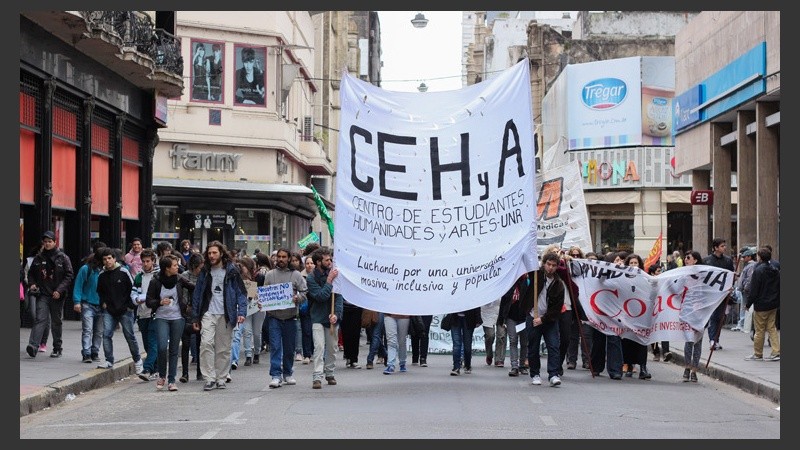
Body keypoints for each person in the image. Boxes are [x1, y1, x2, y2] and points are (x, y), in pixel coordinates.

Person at [191, 241, 248, 391]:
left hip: (226, 314)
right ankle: (209, 378)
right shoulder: (205, 271)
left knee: (223, 348)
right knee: (206, 344)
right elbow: (197, 294)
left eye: (214, 253)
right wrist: (195, 317)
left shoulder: (232, 270)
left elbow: (241, 293)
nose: (211, 256)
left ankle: (221, 378)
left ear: (221, 253)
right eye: (209, 253)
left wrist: (242, 312)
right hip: (208, 313)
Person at [95, 247, 144, 376]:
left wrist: (130, 306)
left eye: (109, 258)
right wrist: (103, 303)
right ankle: (109, 360)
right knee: (106, 334)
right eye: (104, 259)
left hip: (125, 310)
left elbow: (133, 288)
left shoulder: (123, 271)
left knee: (129, 336)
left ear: (114, 259)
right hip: (109, 310)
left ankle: (138, 361)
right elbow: (100, 291)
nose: (107, 261)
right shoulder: (102, 275)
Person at [26, 231, 74, 359]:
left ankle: (57, 348)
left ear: (55, 242)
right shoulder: (38, 258)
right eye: (45, 242)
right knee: (40, 319)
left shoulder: (63, 258)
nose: (47, 244)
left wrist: (59, 290)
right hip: (43, 294)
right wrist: (32, 284)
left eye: (50, 241)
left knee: (56, 322)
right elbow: (31, 274)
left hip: (57, 295)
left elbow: (69, 275)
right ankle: (33, 346)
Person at [264, 248, 308, 388]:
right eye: (279, 257)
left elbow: (304, 292)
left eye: (284, 257)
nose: (281, 259)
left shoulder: (296, 275)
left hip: (290, 317)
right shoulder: (270, 275)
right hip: (274, 317)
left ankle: (288, 373)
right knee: (275, 347)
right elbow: (264, 294)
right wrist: (262, 302)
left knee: (289, 348)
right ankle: (275, 375)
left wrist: (297, 298)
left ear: (289, 258)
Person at [146, 254, 190, 391]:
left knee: (174, 349)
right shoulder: (155, 281)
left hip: (177, 317)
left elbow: (193, 287)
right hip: (161, 317)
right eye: (175, 265)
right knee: (162, 346)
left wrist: (189, 305)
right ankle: (161, 375)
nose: (178, 267)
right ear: (167, 268)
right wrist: (159, 302)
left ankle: (171, 380)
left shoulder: (179, 279)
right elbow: (148, 301)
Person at [523, 252, 565, 387]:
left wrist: (543, 319)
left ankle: (553, 374)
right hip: (533, 316)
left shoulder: (558, 284)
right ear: (544, 263)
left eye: (553, 265)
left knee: (553, 346)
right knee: (533, 347)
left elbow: (556, 309)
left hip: (549, 320)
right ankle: (535, 374)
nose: (550, 268)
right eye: (548, 264)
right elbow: (526, 263)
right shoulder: (536, 275)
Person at [305, 246, 343, 389]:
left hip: (331, 318)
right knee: (319, 347)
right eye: (327, 260)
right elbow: (320, 296)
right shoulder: (311, 278)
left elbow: (338, 297)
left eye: (330, 260)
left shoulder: (335, 275)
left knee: (332, 347)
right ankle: (317, 376)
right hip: (317, 317)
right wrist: (329, 281)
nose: (330, 262)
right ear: (318, 262)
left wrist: (337, 314)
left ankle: (330, 372)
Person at [744, 247, 780, 361]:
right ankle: (776, 352)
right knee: (772, 328)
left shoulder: (758, 270)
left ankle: (758, 353)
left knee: (759, 329)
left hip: (761, 304)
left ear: (759, 257)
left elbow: (754, 290)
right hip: (773, 304)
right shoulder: (775, 269)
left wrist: (748, 304)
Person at [72, 244, 105, 363]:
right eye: (104, 258)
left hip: (101, 305)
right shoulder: (86, 269)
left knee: (99, 331)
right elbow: (78, 285)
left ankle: (95, 352)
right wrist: (77, 302)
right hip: (87, 304)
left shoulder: (105, 270)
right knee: (87, 330)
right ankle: (86, 353)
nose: (107, 261)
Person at [131, 248, 160, 381]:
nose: (145, 264)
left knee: (153, 342)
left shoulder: (158, 276)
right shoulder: (139, 276)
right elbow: (133, 292)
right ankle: (156, 369)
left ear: (153, 261)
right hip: (142, 313)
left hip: (155, 313)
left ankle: (147, 368)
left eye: (148, 261)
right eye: (143, 261)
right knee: (147, 344)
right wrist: (136, 299)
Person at [621, 253, 651, 380]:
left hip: (642, 315)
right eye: (631, 263)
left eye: (636, 263)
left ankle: (643, 367)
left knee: (642, 341)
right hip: (627, 314)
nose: (633, 265)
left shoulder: (645, 278)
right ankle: (628, 365)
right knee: (628, 341)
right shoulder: (622, 278)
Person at [703, 238, 735, 350]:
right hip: (711, 293)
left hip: (724, 293)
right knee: (713, 316)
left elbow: (731, 275)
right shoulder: (706, 261)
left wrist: (731, 286)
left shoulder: (728, 260)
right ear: (715, 248)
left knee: (720, 317)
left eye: (724, 246)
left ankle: (716, 339)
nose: (724, 248)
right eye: (722, 246)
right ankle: (712, 339)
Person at [499, 272, 530, 377]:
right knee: (513, 341)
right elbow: (504, 301)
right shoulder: (509, 284)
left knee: (524, 342)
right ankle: (514, 366)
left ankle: (522, 365)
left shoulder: (527, 282)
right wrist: (501, 319)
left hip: (524, 317)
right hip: (511, 316)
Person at [179, 252, 204, 383]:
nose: (201, 269)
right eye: (200, 267)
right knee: (186, 343)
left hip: (200, 313)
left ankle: (200, 371)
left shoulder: (204, 277)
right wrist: (186, 306)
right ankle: (185, 373)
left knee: (201, 344)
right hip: (187, 313)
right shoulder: (184, 276)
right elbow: (182, 294)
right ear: (194, 266)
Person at [238, 255, 265, 368]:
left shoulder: (259, 277)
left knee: (257, 332)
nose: (241, 268)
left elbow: (264, 291)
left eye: (242, 266)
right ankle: (248, 354)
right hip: (246, 307)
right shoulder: (238, 278)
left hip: (258, 307)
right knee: (247, 331)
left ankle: (257, 352)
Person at [682, 250, 704, 382]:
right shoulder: (682, 275)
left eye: (688, 257)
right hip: (687, 312)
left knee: (698, 342)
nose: (686, 259)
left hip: (701, 313)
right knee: (689, 340)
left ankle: (694, 370)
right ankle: (687, 367)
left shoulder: (703, 276)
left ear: (695, 260)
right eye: (685, 257)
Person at [442, 307, 482, 376]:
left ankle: (467, 365)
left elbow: (476, 304)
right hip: (455, 318)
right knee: (456, 344)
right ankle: (456, 367)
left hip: (469, 318)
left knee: (467, 345)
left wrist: (478, 319)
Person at [647, 263, 673, 363]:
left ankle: (666, 352)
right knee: (653, 331)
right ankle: (656, 352)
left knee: (664, 329)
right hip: (652, 311)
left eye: (661, 270)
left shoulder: (664, 282)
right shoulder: (648, 283)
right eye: (658, 271)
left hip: (663, 310)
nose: (660, 273)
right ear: (652, 273)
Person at [297, 255, 316, 364]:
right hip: (305, 306)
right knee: (306, 330)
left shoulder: (317, 275)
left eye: (311, 263)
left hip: (316, 305)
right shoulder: (300, 276)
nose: (309, 265)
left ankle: (313, 352)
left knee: (315, 330)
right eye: (307, 263)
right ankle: (307, 354)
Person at [734, 247, 757, 331]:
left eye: (744, 257)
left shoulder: (751, 266)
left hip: (746, 291)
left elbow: (749, 279)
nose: (743, 259)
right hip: (745, 290)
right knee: (744, 307)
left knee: (745, 307)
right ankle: (743, 323)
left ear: (749, 257)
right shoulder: (748, 265)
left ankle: (743, 324)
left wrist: (745, 288)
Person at [480, 298, 506, 367]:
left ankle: (499, 359)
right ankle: (489, 354)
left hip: (501, 312)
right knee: (490, 335)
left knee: (501, 336)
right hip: (487, 314)